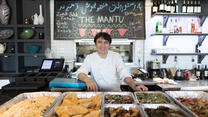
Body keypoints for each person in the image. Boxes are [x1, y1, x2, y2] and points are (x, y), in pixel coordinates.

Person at [77, 32, 148, 91]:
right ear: (95, 44)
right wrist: (87, 80)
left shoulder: (116, 56)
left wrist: (134, 87)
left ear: (109, 45)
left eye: (106, 42)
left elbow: (124, 73)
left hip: (115, 93)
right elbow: (80, 73)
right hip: (97, 93)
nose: (102, 45)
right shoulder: (90, 57)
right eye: (99, 42)